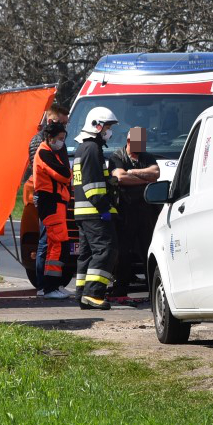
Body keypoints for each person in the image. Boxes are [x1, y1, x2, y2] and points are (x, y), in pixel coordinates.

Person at [72, 106, 121, 310]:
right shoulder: (92, 149)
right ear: (97, 126)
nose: (109, 131)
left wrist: (110, 182)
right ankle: (94, 294)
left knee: (88, 253)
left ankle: (82, 293)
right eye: (107, 127)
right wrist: (104, 208)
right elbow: (92, 185)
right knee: (106, 250)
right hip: (94, 212)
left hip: (83, 213)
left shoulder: (83, 148)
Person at [108, 127, 161, 301]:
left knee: (148, 251)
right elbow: (120, 178)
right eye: (138, 143)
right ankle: (120, 289)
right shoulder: (117, 157)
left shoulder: (147, 157)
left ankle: (153, 290)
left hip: (145, 212)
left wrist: (132, 172)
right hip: (125, 211)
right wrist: (143, 178)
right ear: (129, 141)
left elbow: (156, 174)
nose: (141, 146)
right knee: (124, 252)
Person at [33, 121, 75, 299]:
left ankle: (55, 285)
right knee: (56, 244)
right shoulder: (44, 152)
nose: (62, 142)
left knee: (59, 244)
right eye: (60, 139)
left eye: (64, 139)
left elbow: (65, 174)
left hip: (56, 203)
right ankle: (49, 288)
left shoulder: (52, 151)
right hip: (50, 202)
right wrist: (67, 173)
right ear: (50, 138)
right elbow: (64, 174)